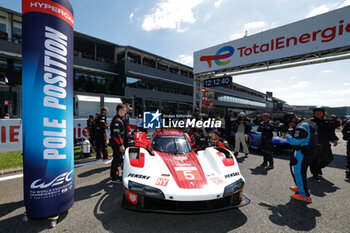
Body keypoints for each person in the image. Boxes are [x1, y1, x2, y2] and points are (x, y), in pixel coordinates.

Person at [283, 113, 318, 203]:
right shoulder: (309, 122)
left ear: (294, 119)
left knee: (300, 172)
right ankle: (299, 186)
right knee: (297, 169)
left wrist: (286, 135)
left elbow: (295, 141)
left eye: (290, 123)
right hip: (309, 150)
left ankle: (304, 195)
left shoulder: (302, 126)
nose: (290, 125)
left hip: (304, 152)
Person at [310, 108, 338, 179]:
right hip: (314, 144)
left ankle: (318, 168)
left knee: (329, 158)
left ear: (323, 113)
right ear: (313, 114)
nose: (318, 113)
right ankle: (315, 173)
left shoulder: (326, 122)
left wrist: (334, 139)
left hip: (325, 143)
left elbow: (331, 131)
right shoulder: (310, 122)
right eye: (316, 112)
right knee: (314, 159)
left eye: (320, 112)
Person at [110, 104, 127, 183]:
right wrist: (120, 145)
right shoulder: (117, 120)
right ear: (120, 110)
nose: (125, 112)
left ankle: (113, 174)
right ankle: (115, 177)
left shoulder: (119, 119)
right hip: (116, 143)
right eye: (124, 110)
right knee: (117, 159)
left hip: (117, 142)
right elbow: (116, 135)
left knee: (116, 159)